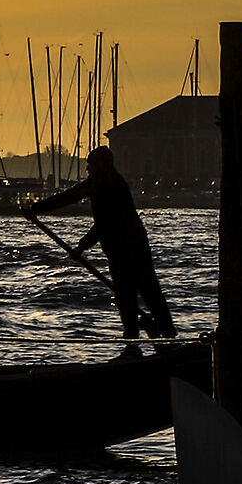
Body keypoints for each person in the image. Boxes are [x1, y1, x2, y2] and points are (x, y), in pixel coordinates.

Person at [29, 145, 175, 343]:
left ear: (100, 165)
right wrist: (37, 209)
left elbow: (102, 222)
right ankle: (163, 334)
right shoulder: (112, 181)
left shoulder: (104, 183)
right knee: (146, 291)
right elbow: (75, 202)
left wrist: (81, 246)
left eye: (90, 165)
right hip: (133, 246)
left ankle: (138, 341)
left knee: (130, 295)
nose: (87, 169)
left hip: (125, 250)